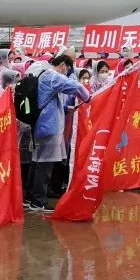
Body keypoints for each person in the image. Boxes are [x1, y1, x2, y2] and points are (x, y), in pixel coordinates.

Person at [26, 55, 90, 212]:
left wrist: (66, 109)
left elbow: (47, 101)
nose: (66, 73)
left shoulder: (43, 74)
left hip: (41, 124)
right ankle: (38, 201)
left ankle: (30, 198)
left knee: (37, 162)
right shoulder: (52, 75)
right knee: (45, 165)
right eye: (67, 69)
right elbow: (73, 87)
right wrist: (88, 97)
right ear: (62, 65)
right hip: (48, 127)